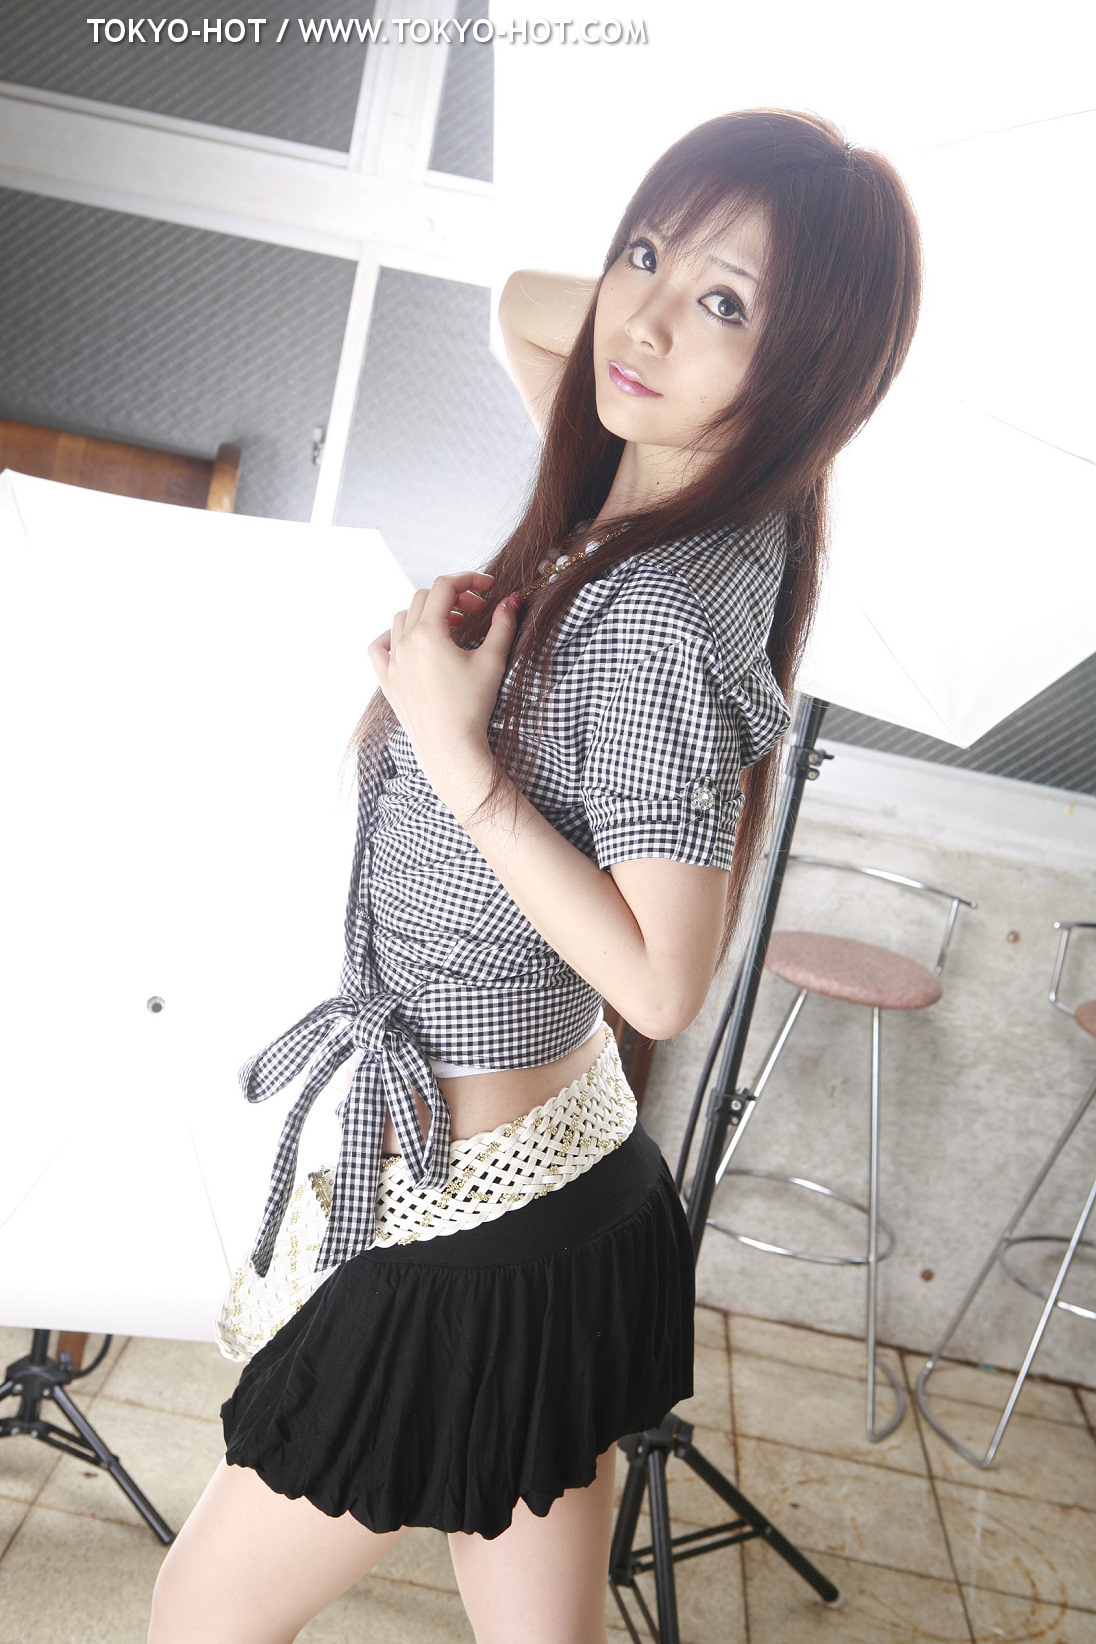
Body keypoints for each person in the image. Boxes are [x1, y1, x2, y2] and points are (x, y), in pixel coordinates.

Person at [148, 108, 922, 1644]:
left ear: (808, 370)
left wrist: (459, 753)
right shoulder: (693, 507)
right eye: (643, 253)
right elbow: (522, 306)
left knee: (199, 1617)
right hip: (565, 1190)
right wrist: (698, 297)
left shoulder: (653, 611)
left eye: (726, 305)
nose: (641, 321)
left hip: (475, 1241)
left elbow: (664, 982)